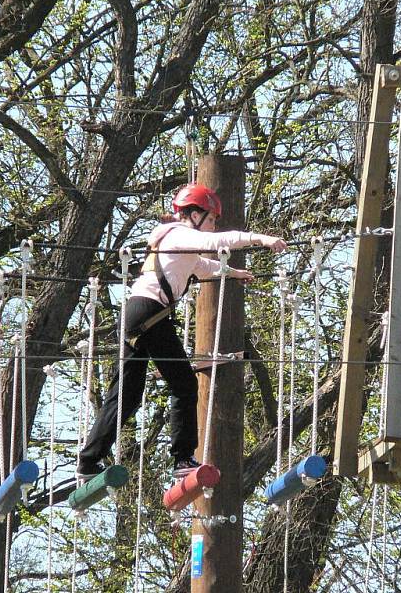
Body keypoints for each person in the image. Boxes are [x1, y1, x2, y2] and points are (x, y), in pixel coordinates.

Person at [76, 183, 287, 480]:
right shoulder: (179, 234)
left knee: (126, 394)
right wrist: (262, 239)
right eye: (211, 219)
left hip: (138, 314)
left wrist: (234, 273)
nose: (212, 227)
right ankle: (182, 458)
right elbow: (221, 242)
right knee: (184, 385)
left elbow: (202, 266)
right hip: (151, 314)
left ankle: (88, 461)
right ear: (194, 214)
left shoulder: (175, 244)